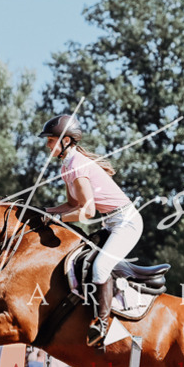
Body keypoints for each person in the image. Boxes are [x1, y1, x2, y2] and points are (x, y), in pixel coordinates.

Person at [40, 114, 144, 347]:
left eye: (51, 140)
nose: (47, 145)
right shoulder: (67, 166)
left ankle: (102, 324)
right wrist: (42, 211)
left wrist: (55, 218)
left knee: (100, 268)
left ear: (66, 141)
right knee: (79, 260)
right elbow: (71, 205)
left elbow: (87, 211)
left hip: (126, 222)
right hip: (111, 223)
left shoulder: (77, 165)